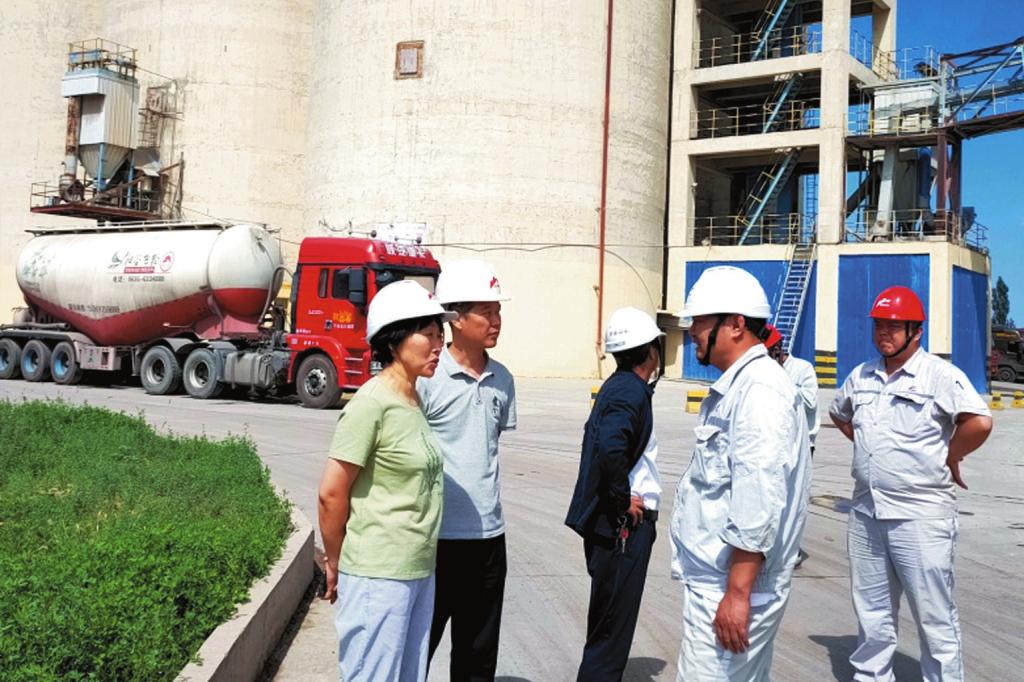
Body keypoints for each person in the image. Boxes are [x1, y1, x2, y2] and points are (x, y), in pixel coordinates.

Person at [829, 285, 992, 682]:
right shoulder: (861, 376)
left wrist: (950, 455)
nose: (883, 333)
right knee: (872, 613)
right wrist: (872, 451)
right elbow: (840, 414)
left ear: (916, 331)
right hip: (867, 512)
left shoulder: (940, 375)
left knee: (934, 617)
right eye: (879, 325)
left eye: (893, 326)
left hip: (919, 515)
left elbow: (979, 422)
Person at [670, 266, 811, 681]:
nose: (692, 331)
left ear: (735, 325)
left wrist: (737, 593)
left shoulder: (759, 391)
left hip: (731, 587)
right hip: (722, 582)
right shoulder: (743, 385)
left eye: (700, 321)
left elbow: (758, 496)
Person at [318, 280, 456, 682]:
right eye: (428, 334)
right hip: (378, 574)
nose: (438, 345)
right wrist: (335, 560)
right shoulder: (371, 403)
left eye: (440, 335)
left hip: (417, 569)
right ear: (394, 340)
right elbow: (331, 493)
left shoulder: (413, 401)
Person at [418, 260, 517, 681]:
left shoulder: (502, 379)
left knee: (478, 654)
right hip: (435, 539)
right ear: (456, 319)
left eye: (498, 311)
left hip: (489, 539)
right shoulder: (427, 377)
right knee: (417, 648)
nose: (496, 321)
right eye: (486, 312)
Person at [565, 306, 665, 681]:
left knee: (607, 629)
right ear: (651, 350)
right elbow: (611, 446)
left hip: (616, 526)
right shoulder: (629, 390)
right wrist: (623, 500)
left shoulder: (623, 386)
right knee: (610, 636)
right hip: (623, 528)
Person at [763, 323, 819, 568]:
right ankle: (770, 544)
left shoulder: (802, 369)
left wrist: (780, 379)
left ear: (778, 349)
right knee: (772, 494)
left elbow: (810, 402)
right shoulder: (761, 372)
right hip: (775, 440)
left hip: (801, 443)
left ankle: (791, 548)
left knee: (793, 497)